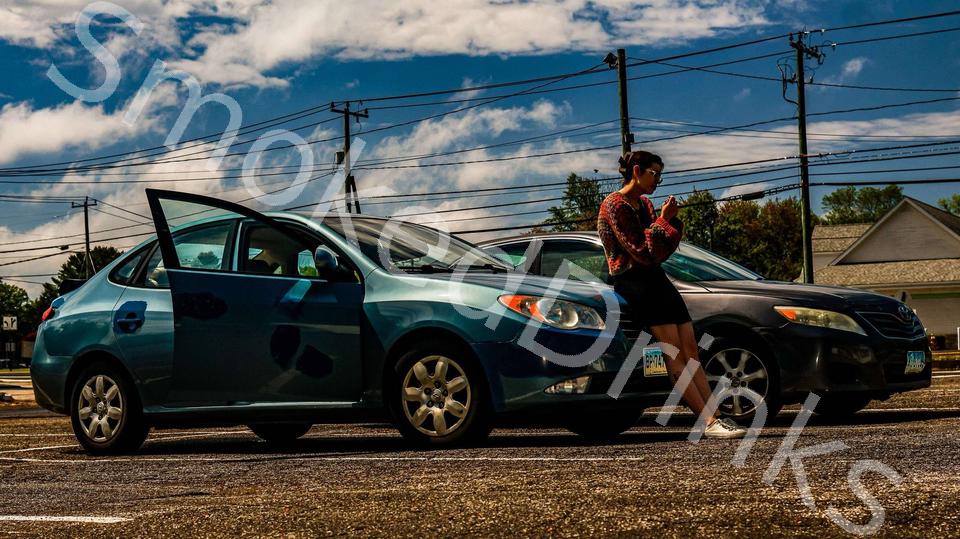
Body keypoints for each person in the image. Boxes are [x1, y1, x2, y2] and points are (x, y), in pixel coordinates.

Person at [598, 150, 746, 439]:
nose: (658, 180)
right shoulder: (614, 205)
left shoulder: (644, 204)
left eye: (660, 175)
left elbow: (661, 250)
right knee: (673, 351)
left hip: (656, 279)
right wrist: (664, 222)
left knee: (691, 349)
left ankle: (717, 415)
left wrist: (670, 223)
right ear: (637, 171)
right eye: (654, 174)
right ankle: (708, 421)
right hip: (633, 281)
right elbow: (641, 251)